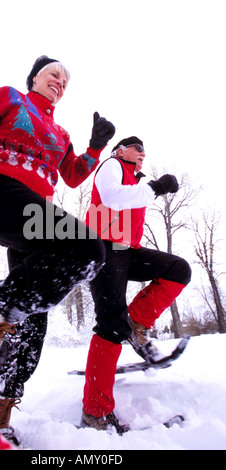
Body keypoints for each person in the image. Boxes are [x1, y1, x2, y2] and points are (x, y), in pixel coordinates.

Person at [0, 56, 116, 442]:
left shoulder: (60, 132)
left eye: (66, 80)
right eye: (55, 73)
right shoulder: (11, 98)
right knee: (90, 250)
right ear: (35, 77)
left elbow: (72, 175)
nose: (60, 81)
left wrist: (96, 146)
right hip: (1, 193)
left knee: (33, 321)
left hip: (36, 216)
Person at [81, 136, 192, 433]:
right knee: (110, 326)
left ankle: (138, 322)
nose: (143, 154)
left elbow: (131, 200)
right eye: (137, 149)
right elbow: (111, 196)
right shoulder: (112, 165)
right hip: (103, 248)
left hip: (128, 251)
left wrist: (151, 188)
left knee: (178, 270)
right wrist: (155, 188)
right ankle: (95, 413)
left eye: (145, 151)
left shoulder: (137, 181)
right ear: (121, 150)